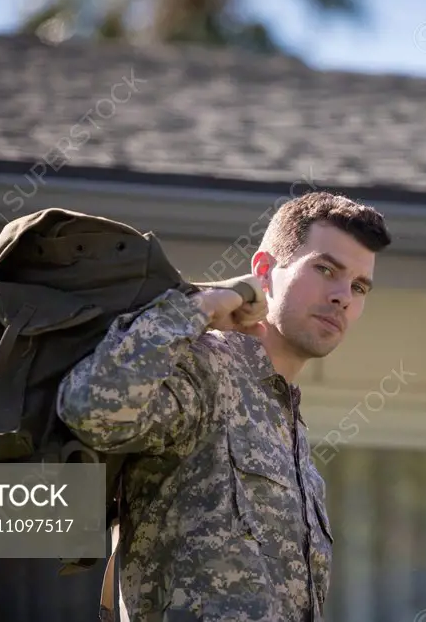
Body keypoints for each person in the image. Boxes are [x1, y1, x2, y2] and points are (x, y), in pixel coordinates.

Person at [56, 191, 392, 622]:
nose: (343, 296)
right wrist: (197, 309)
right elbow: (88, 407)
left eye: (359, 287)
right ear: (265, 271)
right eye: (326, 269)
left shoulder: (289, 428)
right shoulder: (205, 369)